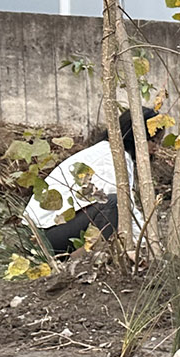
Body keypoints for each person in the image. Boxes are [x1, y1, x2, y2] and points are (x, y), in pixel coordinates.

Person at [25, 107, 155, 253]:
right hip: (41, 236)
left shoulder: (108, 151)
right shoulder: (113, 157)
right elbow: (125, 208)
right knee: (114, 204)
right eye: (153, 141)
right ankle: (87, 261)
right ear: (137, 136)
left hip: (49, 230)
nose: (156, 148)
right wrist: (149, 245)